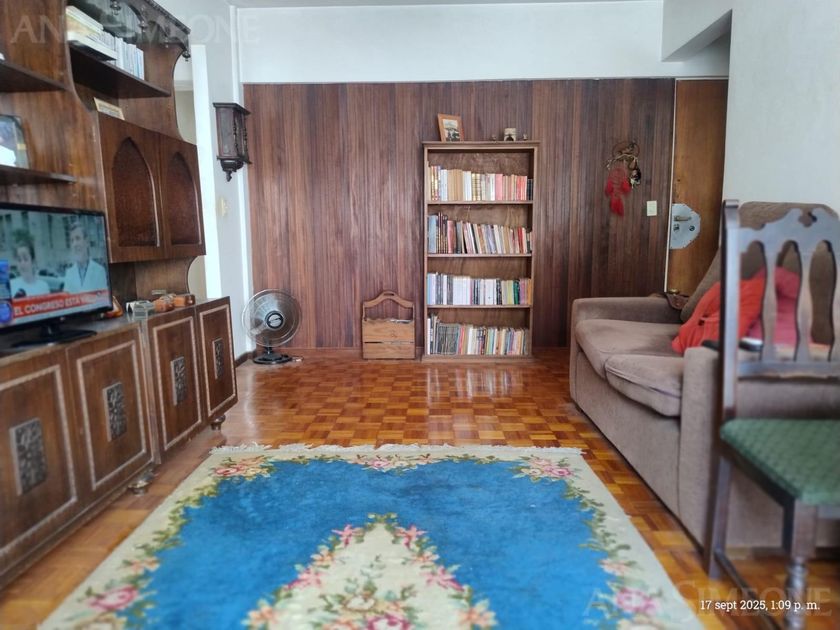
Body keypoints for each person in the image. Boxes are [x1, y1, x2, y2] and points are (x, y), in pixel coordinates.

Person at [63, 222, 108, 293]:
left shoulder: (99, 271)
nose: (74, 244)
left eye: (78, 238)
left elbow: (103, 298)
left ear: (87, 242)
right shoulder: (69, 274)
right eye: (72, 241)